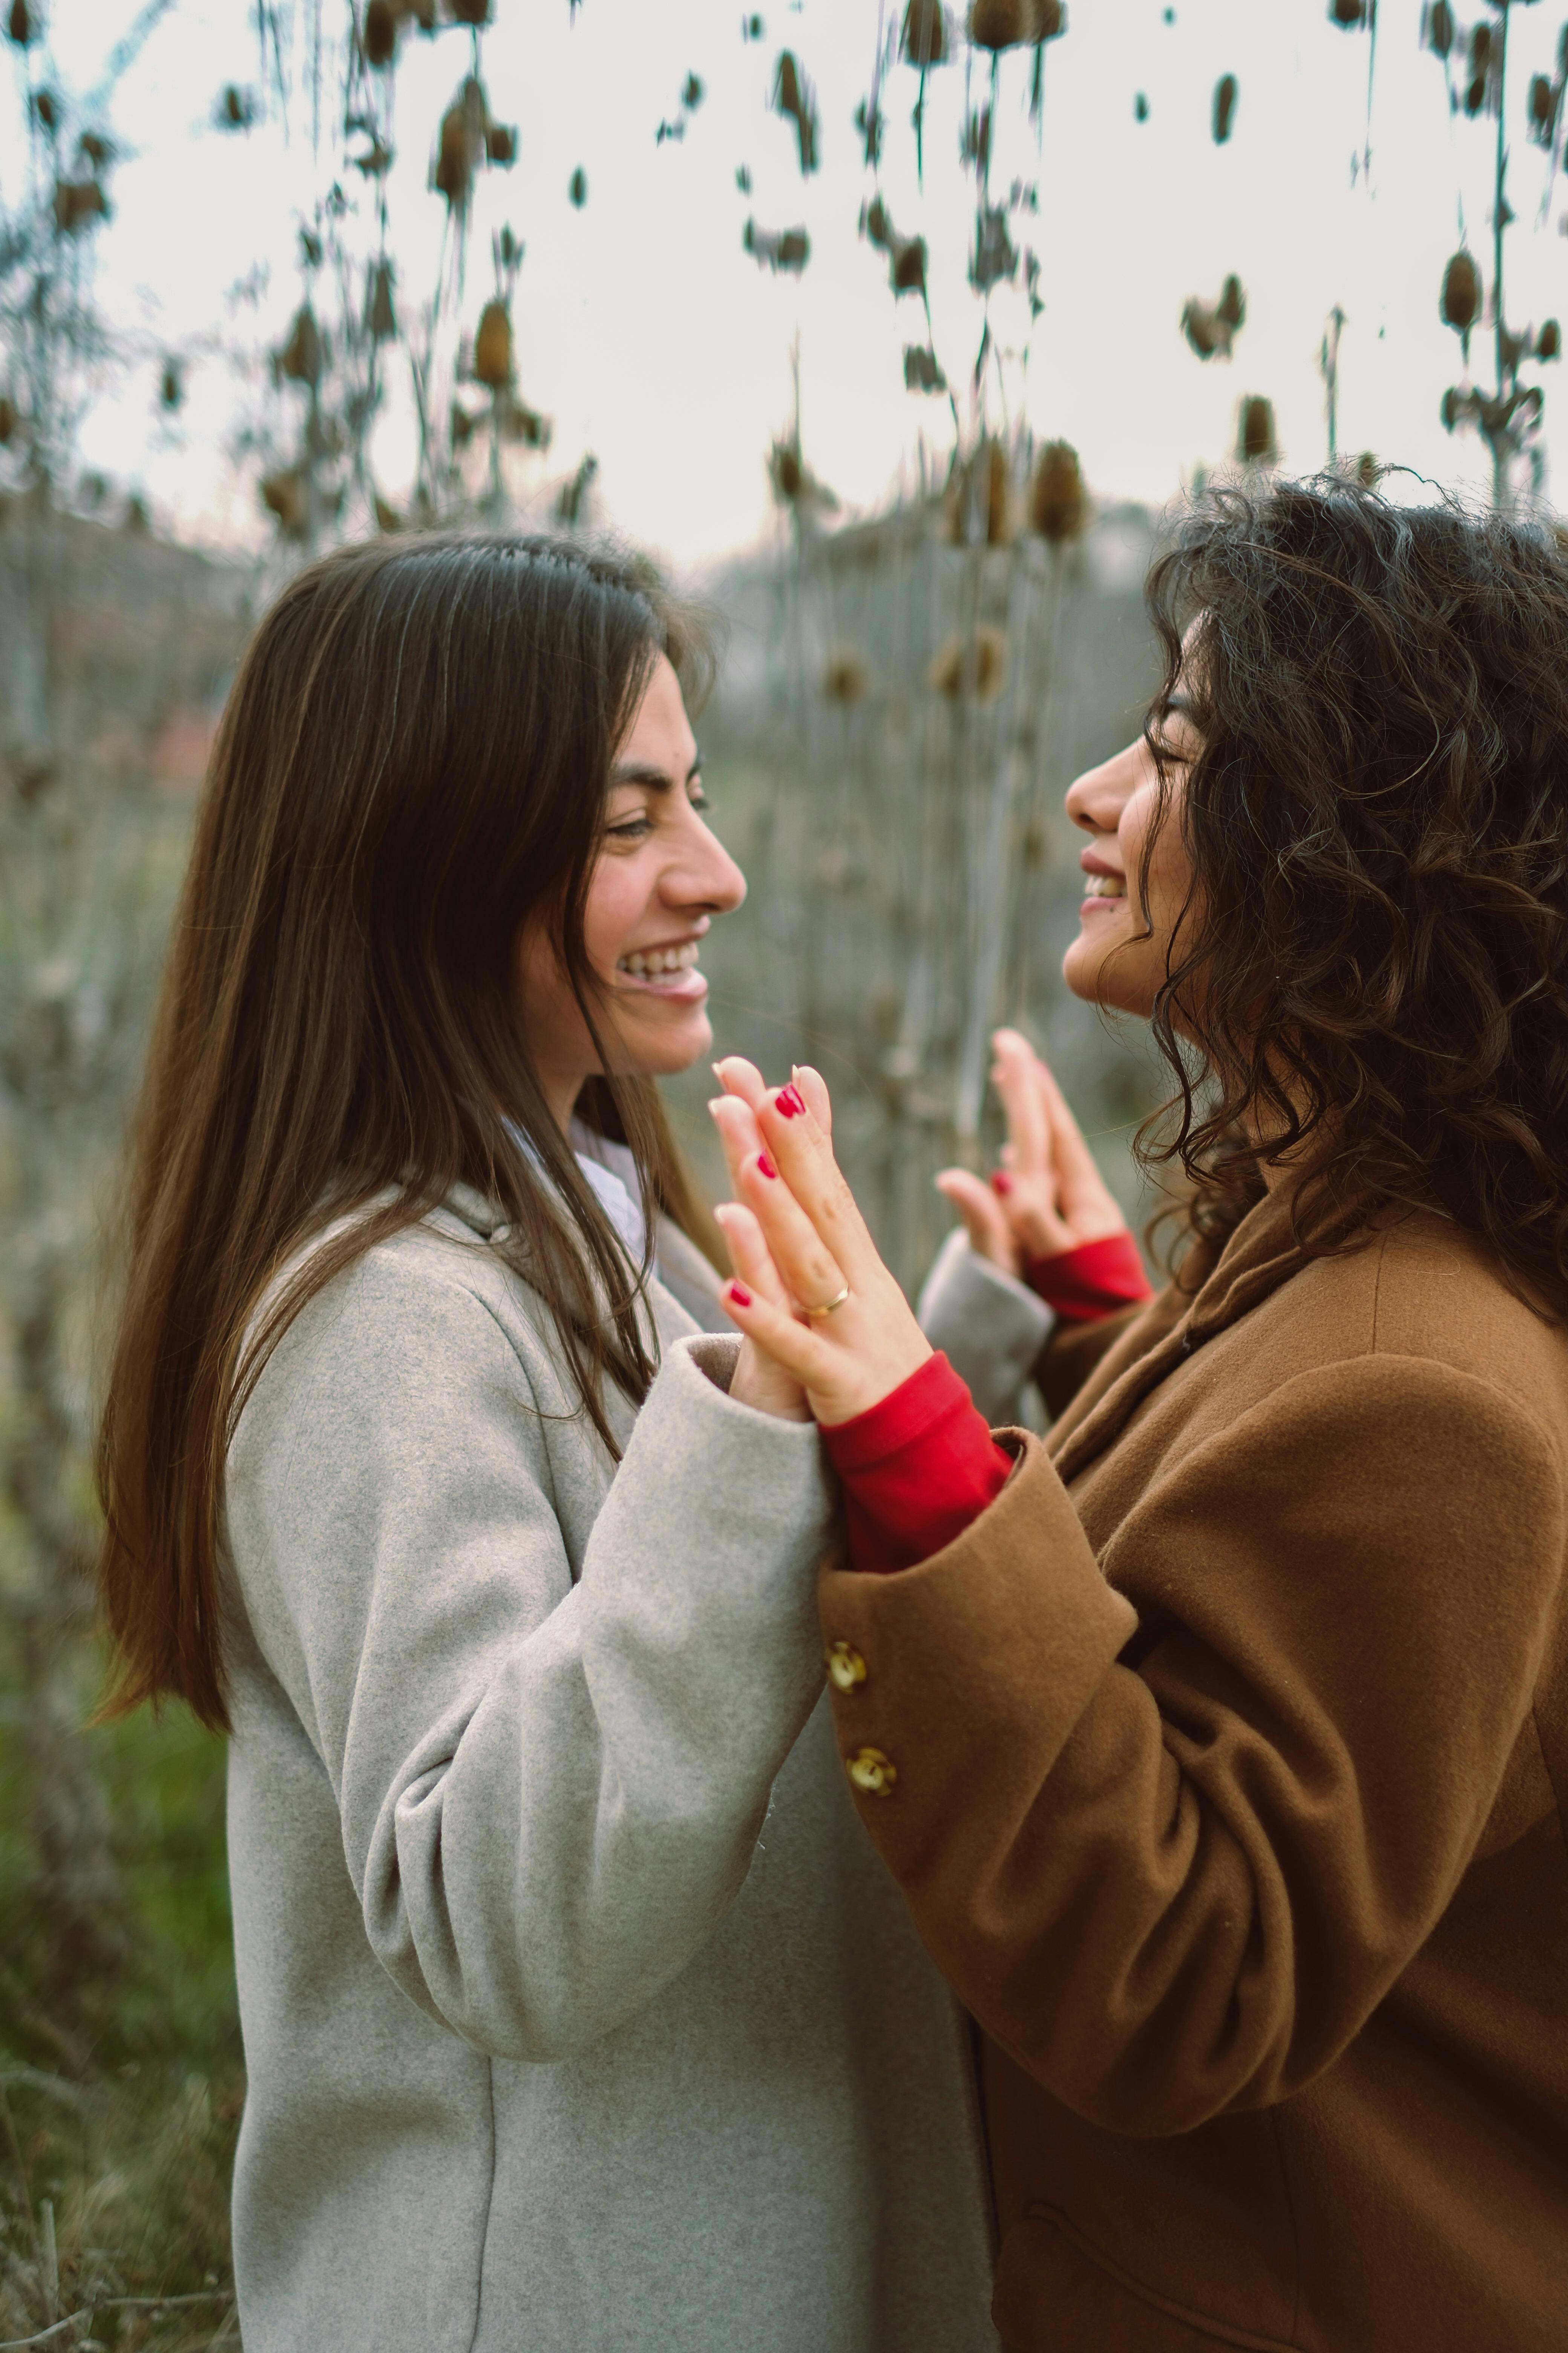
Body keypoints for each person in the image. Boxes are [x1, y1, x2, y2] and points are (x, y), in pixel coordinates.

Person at [93, 534, 996, 2353]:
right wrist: (755, 1429)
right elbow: (503, 1912)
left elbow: (649, 1553)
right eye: (625, 821)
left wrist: (976, 1333)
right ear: (425, 852)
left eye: (701, 799)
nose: (715, 873)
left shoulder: (581, 1218)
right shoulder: (379, 1320)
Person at [711, 480, 1568, 2353]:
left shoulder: (1424, 1377)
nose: (1095, 795)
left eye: (1174, 750)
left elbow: (1190, 1965)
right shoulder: (1349, 1249)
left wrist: (919, 1463)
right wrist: (1117, 1340)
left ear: (1351, 844)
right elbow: (1280, 1602)